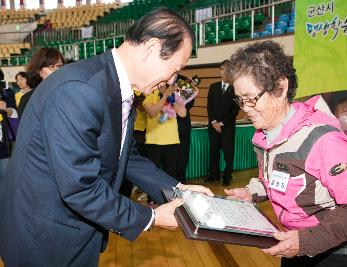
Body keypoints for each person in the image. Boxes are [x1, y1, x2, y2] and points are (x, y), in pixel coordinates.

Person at [0, 8, 212, 267]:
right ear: (151, 48)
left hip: (71, 232)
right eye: (174, 70)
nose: (172, 80)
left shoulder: (114, 85)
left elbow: (128, 157)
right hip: (45, 241)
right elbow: (81, 187)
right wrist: (151, 217)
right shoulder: (80, 90)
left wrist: (178, 190)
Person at [224, 41, 347, 267]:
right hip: (298, 238)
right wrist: (252, 192)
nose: (245, 108)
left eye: (251, 98)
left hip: (342, 247)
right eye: (240, 100)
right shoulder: (266, 134)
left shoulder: (325, 140)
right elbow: (278, 179)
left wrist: (305, 240)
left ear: (280, 88)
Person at [206, 60, 239, 186]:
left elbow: (235, 111)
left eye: (227, 69)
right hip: (213, 127)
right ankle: (214, 175)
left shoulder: (236, 89)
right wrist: (214, 122)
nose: (224, 71)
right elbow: (210, 107)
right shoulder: (213, 87)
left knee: (228, 154)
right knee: (213, 153)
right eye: (222, 69)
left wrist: (221, 124)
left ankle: (227, 176)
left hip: (227, 128)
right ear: (220, 70)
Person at [143, 83, 187, 179]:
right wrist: (164, 97)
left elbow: (183, 113)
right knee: (153, 177)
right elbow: (152, 112)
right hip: (153, 142)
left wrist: (172, 99)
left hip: (172, 142)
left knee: (171, 176)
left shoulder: (175, 96)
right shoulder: (150, 95)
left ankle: (169, 194)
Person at [17, 47, 65, 118]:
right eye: (52, 66)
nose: (58, 70)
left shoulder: (67, 93)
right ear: (39, 71)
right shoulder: (29, 99)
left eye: (60, 66)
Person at [0, 68, 18, 180]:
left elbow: (14, 113)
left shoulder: (7, 93)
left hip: (3, 142)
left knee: (5, 177)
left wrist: (5, 109)